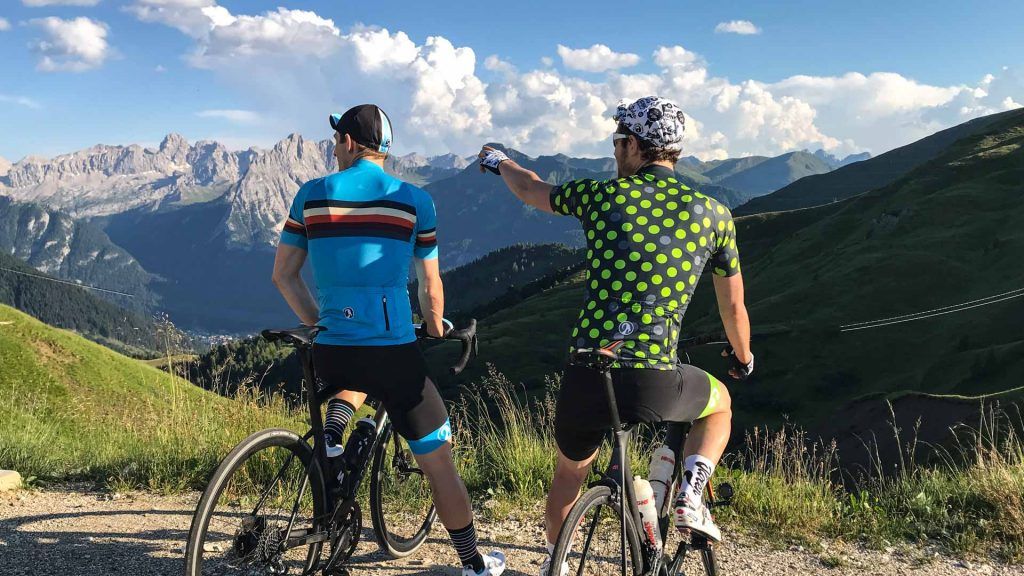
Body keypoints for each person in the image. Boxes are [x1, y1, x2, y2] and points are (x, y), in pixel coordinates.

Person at [477, 96, 753, 576]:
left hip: (589, 372)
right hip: (655, 379)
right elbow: (733, 305)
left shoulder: (600, 197)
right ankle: (691, 491)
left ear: (633, 146)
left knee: (569, 474)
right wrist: (742, 355)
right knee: (721, 400)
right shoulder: (714, 214)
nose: (613, 153)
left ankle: (556, 565)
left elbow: (531, 189)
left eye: (616, 143)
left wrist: (499, 161)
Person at [273, 104, 505, 576]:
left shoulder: (310, 195)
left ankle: (334, 435)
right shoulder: (414, 200)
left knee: (352, 378)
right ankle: (474, 564)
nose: (333, 147)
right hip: (392, 348)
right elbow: (429, 286)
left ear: (350, 143)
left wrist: (323, 323)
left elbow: (284, 276)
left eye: (336, 138)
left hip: (333, 346)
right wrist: (436, 323)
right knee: (439, 461)